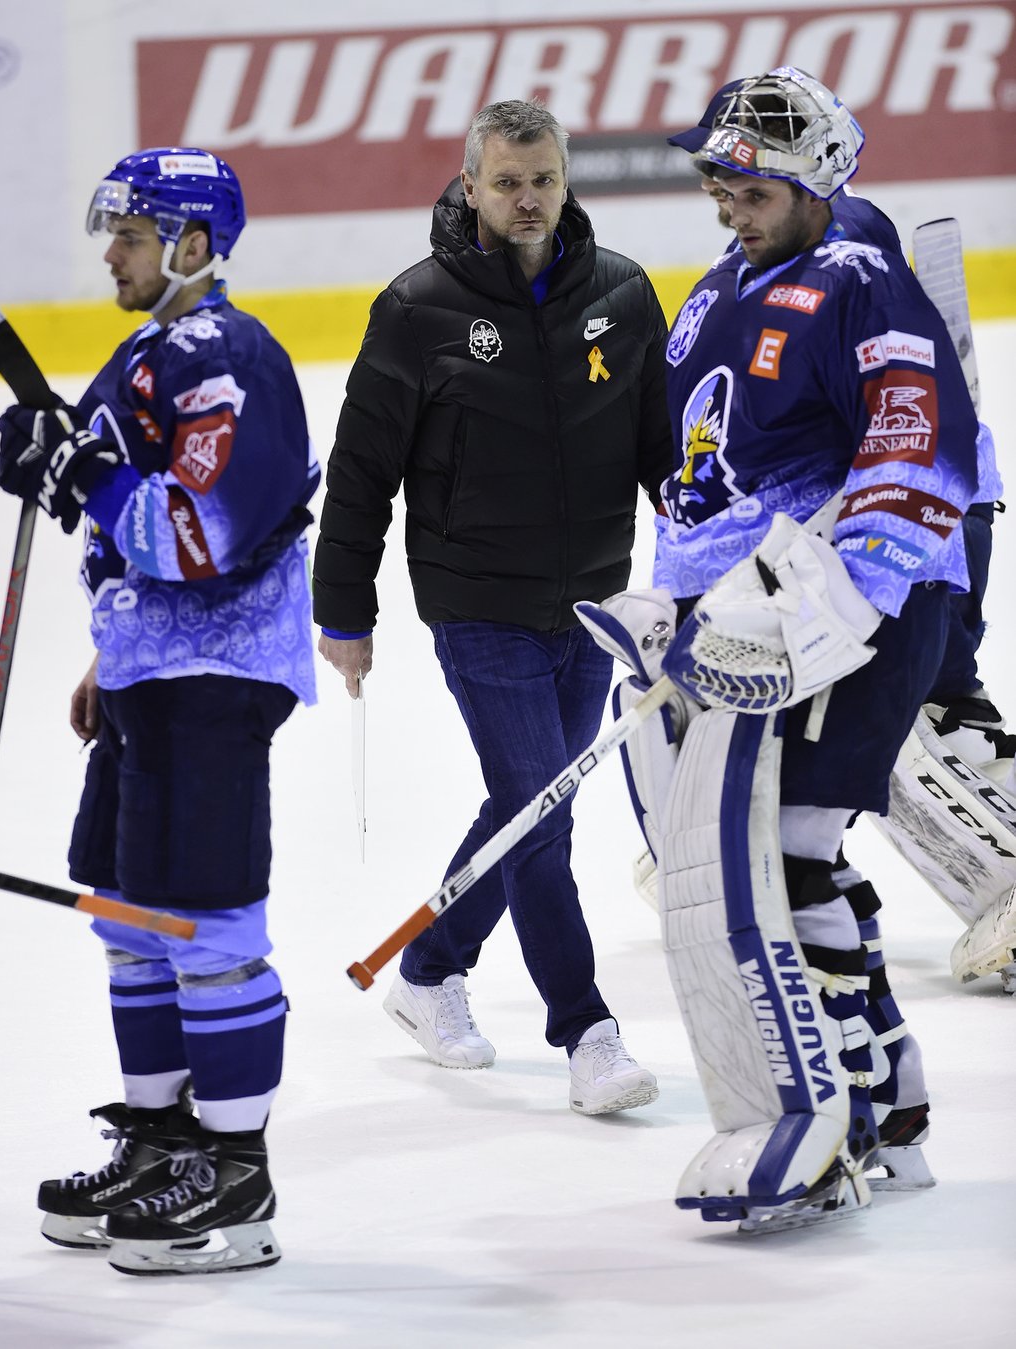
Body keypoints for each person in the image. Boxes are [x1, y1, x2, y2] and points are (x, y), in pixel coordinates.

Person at [644, 67, 978, 1231]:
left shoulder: (860, 282)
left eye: (748, 183)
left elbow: (915, 448)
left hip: (839, 621)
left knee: (789, 848)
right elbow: (702, 475)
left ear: (813, 177)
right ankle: (888, 1107)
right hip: (743, 622)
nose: (727, 199)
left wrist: (834, 608)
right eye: (718, 180)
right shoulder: (717, 287)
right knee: (781, 857)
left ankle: (863, 1109)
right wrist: (672, 603)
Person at [0, 148, 320, 1274]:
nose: (111, 253)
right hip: (151, 670)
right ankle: (162, 1137)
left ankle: (235, 1173)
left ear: (191, 243)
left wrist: (81, 476)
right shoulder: (147, 351)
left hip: (216, 674)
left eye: (130, 234)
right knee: (129, 910)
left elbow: (203, 536)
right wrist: (105, 641)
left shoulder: (228, 354)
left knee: (206, 922)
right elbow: (121, 522)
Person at [312, 99, 671, 1115]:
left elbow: (662, 445)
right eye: (507, 181)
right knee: (537, 809)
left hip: (596, 600)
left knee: (530, 803)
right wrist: (344, 610)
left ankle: (429, 967)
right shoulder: (418, 307)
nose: (527, 199)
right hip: (477, 601)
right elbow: (361, 472)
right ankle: (587, 1033)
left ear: (566, 182)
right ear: (471, 186)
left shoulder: (623, 292)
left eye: (544, 179)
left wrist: (702, 557)